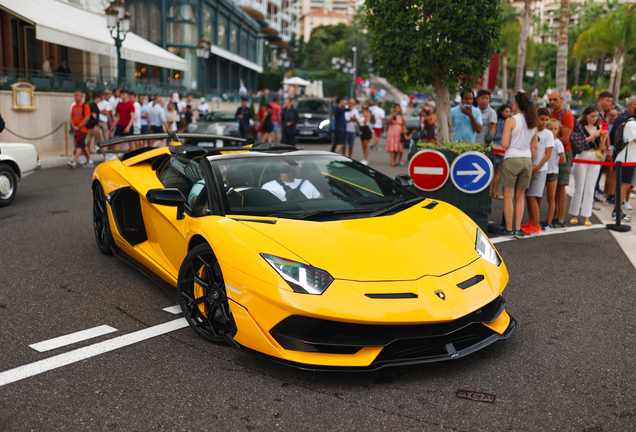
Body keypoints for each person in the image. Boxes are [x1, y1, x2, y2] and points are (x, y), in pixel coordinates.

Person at [500, 92, 538, 236]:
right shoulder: (533, 123)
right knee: (520, 197)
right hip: (527, 160)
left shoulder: (511, 120)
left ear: (516, 104)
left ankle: (509, 229)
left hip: (512, 159)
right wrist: (532, 163)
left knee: (508, 196)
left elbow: (504, 144)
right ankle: (517, 228)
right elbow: (534, 147)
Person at [569, 106, 608, 226]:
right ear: (586, 115)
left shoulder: (599, 127)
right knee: (579, 188)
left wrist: (603, 138)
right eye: (592, 116)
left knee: (590, 189)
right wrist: (593, 136)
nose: (594, 118)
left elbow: (601, 149)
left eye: (596, 116)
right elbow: (579, 143)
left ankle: (587, 216)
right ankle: (574, 214)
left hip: (595, 157)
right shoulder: (580, 126)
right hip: (582, 156)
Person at [521, 108, 553, 235]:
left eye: (546, 120)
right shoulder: (531, 130)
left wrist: (537, 167)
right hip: (529, 167)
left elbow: (548, 154)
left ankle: (536, 225)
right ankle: (531, 221)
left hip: (540, 169)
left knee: (532, 197)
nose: (544, 122)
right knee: (530, 197)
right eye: (541, 119)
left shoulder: (548, 134)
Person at [549, 89, 574, 229]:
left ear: (562, 100)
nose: (552, 102)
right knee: (555, 187)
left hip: (564, 152)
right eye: (550, 100)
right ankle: (554, 216)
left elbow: (565, 139)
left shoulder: (567, 115)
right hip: (554, 153)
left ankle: (561, 218)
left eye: (555, 100)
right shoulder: (553, 113)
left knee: (561, 187)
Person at [609, 95, 636, 220]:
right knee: (623, 186)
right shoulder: (631, 124)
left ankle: (618, 211)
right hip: (626, 160)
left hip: (630, 159)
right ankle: (616, 212)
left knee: (625, 186)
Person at [541, 119, 567, 231]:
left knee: (551, 198)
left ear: (559, 130)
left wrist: (554, 163)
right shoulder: (544, 140)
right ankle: (537, 221)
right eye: (550, 128)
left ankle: (549, 222)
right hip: (542, 171)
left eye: (555, 129)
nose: (553, 131)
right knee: (539, 196)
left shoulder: (558, 143)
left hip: (552, 172)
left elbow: (563, 160)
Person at [67, 90, 94, 169]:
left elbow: (87, 117)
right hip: (76, 129)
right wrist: (73, 127)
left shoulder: (85, 106)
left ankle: (74, 161)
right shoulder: (74, 106)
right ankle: (89, 160)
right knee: (82, 145)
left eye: (77, 95)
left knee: (79, 145)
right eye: (74, 95)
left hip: (82, 129)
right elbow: (72, 117)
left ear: (81, 96)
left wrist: (78, 126)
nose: (75, 97)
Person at [491, 104, 511, 199]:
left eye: (509, 111)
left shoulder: (497, 122)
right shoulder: (505, 123)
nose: (508, 113)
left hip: (495, 146)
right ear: (501, 112)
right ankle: (497, 192)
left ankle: (491, 191)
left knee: (494, 171)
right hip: (502, 147)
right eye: (506, 111)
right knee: (499, 171)